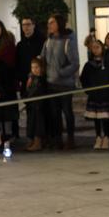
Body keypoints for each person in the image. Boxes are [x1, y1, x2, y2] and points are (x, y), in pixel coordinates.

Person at [41, 14, 80, 149]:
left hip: (65, 84)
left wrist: (61, 73)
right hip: (51, 83)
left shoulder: (68, 41)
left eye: (52, 22)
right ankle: (58, 139)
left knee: (67, 112)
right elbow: (43, 60)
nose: (49, 25)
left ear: (59, 23)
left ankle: (70, 139)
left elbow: (75, 63)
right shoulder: (48, 41)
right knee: (55, 113)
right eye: (48, 23)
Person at [80, 40, 109, 150]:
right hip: (94, 96)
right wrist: (88, 90)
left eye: (97, 47)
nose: (95, 50)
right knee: (96, 118)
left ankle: (106, 137)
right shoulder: (88, 65)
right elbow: (83, 79)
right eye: (93, 47)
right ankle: (98, 137)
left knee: (105, 118)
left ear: (102, 48)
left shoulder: (108, 63)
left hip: (105, 95)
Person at [16, 18, 46, 97]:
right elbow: (18, 63)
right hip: (25, 80)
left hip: (39, 79)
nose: (26, 27)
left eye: (28, 24)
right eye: (23, 25)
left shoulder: (42, 41)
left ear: (33, 25)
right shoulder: (20, 45)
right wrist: (20, 78)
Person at [24, 57, 46, 152]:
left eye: (37, 67)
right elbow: (28, 91)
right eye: (33, 67)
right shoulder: (31, 78)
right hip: (32, 105)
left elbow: (37, 91)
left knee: (38, 124)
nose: (34, 70)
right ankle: (31, 140)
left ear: (41, 68)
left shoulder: (41, 80)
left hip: (39, 105)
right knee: (31, 123)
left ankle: (38, 142)